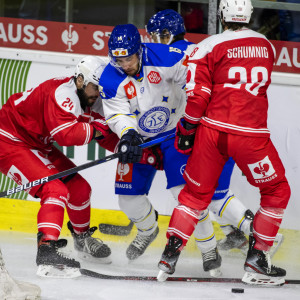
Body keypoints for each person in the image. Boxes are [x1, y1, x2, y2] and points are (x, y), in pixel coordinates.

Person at [157, 0, 291, 286]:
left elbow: (199, 96)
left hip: (211, 132)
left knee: (194, 195)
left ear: (221, 15)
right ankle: (258, 260)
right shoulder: (266, 45)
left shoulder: (206, 46)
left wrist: (186, 128)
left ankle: (170, 254)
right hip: (249, 135)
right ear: (249, 15)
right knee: (277, 190)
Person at [99, 23, 223, 276]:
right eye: (118, 59)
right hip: (141, 139)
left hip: (176, 133)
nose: (124, 65)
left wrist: (193, 119)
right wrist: (127, 134)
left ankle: (209, 248)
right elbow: (117, 114)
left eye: (129, 58)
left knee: (184, 194)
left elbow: (195, 83)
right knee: (128, 198)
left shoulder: (167, 57)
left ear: (139, 50)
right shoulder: (109, 77)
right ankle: (147, 229)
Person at [146, 8, 263, 255]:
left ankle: (258, 236)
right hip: (217, 125)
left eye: (155, 35)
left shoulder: (167, 56)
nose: (151, 41)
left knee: (204, 193)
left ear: (167, 34)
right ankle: (236, 235)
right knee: (211, 191)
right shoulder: (200, 48)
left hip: (197, 130)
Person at [0, 56, 118, 278]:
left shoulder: (91, 97)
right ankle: (46, 250)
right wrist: (100, 129)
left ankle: (82, 239)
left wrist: (127, 146)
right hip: (9, 140)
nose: (98, 93)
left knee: (81, 190)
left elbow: (104, 136)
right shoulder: (63, 94)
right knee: (55, 189)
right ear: (81, 80)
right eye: (95, 87)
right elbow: (65, 135)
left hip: (37, 143)